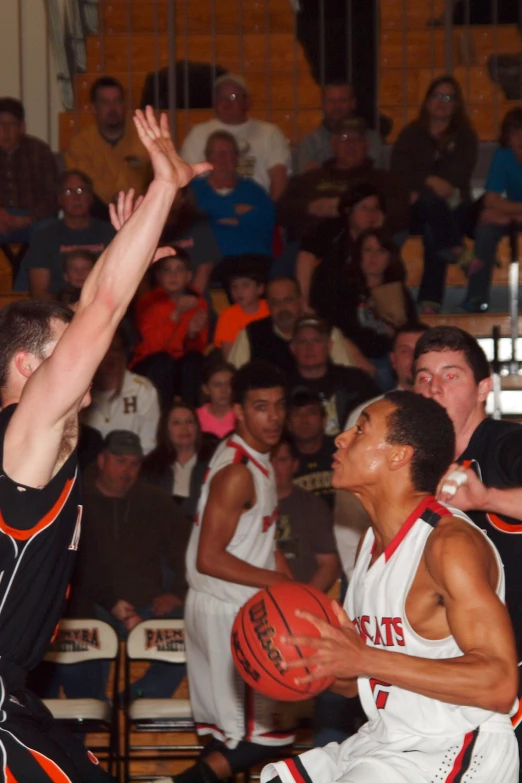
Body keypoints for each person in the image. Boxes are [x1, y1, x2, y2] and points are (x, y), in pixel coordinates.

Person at [0, 106, 211, 780]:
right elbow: (98, 309)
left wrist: (134, 246)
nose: (89, 360)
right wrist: (164, 188)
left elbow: (97, 304)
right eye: (70, 355)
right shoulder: (23, 433)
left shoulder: (35, 441)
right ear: (29, 370)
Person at [261, 391, 519, 783]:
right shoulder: (370, 543)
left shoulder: (448, 544)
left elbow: (499, 684)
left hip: (455, 746)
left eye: (360, 429)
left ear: (399, 455)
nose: (341, 438)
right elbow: (361, 684)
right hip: (387, 741)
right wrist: (317, 663)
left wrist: (363, 658)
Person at [179, 361, 295, 783]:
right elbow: (208, 557)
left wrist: (295, 591)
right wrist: (280, 583)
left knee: (226, 739)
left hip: (221, 607)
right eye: (262, 407)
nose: (275, 416)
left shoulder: (257, 460)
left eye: (280, 406)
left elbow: (264, 542)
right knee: (266, 737)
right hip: (225, 610)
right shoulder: (237, 473)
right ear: (239, 411)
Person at [413, 325, 522, 767]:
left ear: (483, 388)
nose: (434, 387)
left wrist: (488, 499)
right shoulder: (418, 468)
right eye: (423, 377)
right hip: (463, 672)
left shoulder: (504, 443)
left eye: (450, 375)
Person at [36, 430, 191, 701]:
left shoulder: (155, 501)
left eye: (134, 463)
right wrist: (113, 604)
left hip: (148, 604)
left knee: (191, 635)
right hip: (92, 604)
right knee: (81, 634)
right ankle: (89, 714)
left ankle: (135, 697)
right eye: (120, 461)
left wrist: (176, 593)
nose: (127, 470)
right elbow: (76, 566)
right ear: (101, 460)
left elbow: (188, 550)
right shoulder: (76, 499)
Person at [390, 75, 478, 314]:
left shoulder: (465, 137)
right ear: (427, 102)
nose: (442, 102)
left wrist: (419, 183)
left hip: (454, 207)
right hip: (418, 210)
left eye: (449, 97)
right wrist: (428, 180)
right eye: (437, 96)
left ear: (456, 105)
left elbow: (456, 178)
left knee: (433, 228)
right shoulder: (411, 134)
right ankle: (458, 250)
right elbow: (397, 170)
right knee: (430, 203)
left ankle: (429, 303)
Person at [277, 117, 410, 244]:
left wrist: (373, 215)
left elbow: (402, 213)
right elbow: (281, 209)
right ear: (333, 144)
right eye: (344, 138)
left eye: (356, 139)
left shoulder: (384, 179)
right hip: (310, 247)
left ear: (366, 145)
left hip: (365, 249)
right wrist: (310, 208)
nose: (350, 145)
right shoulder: (310, 178)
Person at [321, 228, 418, 390]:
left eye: (380, 251)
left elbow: (411, 331)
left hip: (390, 360)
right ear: (359, 255)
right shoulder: (344, 290)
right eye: (367, 250)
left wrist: (394, 331)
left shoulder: (399, 292)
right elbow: (334, 330)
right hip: (353, 359)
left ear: (389, 257)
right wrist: (358, 358)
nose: (373, 257)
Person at [181, 73, 291, 200]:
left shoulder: (270, 133)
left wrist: (271, 215)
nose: (226, 102)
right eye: (221, 97)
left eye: (233, 97)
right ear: (215, 103)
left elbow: (279, 177)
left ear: (247, 102)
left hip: (255, 208)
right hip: (208, 210)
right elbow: (188, 178)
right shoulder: (198, 133)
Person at [228, 276, 364, 373]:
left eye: (288, 300)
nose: (282, 308)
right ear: (268, 306)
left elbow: (349, 377)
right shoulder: (250, 335)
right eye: (275, 302)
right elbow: (234, 380)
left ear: (301, 301)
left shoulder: (326, 332)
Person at [190, 131, 276, 283]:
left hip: (251, 258)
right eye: (218, 152)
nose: (223, 158)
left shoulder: (253, 189)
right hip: (207, 260)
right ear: (208, 157)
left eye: (228, 152)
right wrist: (234, 211)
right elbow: (190, 217)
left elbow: (268, 219)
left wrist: (213, 217)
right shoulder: (194, 189)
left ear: (236, 158)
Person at [65, 77, 152, 219]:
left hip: (140, 210)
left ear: (124, 105)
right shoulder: (80, 144)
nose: (112, 108)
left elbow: (150, 178)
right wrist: (117, 197)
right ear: (94, 108)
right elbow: (87, 186)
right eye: (105, 102)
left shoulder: (143, 137)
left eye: (117, 101)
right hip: (98, 213)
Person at [131, 250, 209, 408]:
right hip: (150, 363)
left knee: (194, 361)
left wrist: (192, 334)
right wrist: (176, 314)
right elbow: (152, 347)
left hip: (180, 364)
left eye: (179, 270)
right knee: (162, 362)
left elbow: (198, 348)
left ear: (188, 276)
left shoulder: (198, 302)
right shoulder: (148, 303)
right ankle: (162, 422)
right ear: (158, 276)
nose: (173, 275)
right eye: (167, 270)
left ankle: (189, 416)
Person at [18, 169, 115, 296]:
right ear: (59, 199)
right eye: (68, 192)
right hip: (59, 309)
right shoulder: (44, 236)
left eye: (81, 190)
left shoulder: (110, 233)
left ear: (91, 197)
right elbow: (38, 293)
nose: (76, 197)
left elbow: (130, 278)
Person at [462, 107, 522, 312]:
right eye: (515, 133)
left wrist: (509, 216)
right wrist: (509, 217)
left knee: (491, 218)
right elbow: (490, 202)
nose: (521, 139)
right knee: (486, 230)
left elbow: (496, 205)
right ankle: (476, 298)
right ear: (508, 137)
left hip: (513, 216)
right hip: (514, 216)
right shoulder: (503, 155)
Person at [300, 181, 386, 314]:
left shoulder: (383, 240)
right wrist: (304, 301)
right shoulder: (331, 231)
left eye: (375, 209)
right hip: (331, 303)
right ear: (348, 210)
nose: (371, 215)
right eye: (364, 208)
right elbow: (306, 257)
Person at [287, 316, 380, 435]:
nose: (309, 348)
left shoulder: (355, 380)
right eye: (303, 342)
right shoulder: (284, 388)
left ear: (329, 345)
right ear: (293, 348)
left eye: (317, 341)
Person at [272, 436, 339, 591]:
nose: (274, 466)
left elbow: (329, 565)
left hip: (303, 596)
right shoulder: (245, 505)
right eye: (270, 460)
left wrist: (304, 600)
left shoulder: (313, 506)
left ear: (294, 465)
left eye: (282, 460)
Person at [81, 329, 161, 455]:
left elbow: (148, 444)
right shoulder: (79, 392)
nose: (109, 356)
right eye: (104, 350)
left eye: (115, 350)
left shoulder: (142, 390)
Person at [345, 321, 430, 429]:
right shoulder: (367, 415)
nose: (414, 357)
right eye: (405, 351)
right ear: (393, 359)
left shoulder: (451, 410)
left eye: (421, 350)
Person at [0, 97, 58, 246]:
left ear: (22, 127)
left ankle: (30, 270)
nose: (5, 130)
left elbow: (54, 195)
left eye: (11, 124)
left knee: (48, 231)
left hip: (34, 219)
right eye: (1, 123)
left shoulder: (39, 151)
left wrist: (28, 218)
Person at [142, 401, 212, 521]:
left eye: (189, 422)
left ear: (197, 427)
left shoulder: (212, 463)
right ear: (166, 430)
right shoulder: (150, 467)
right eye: (176, 423)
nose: (184, 428)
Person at [296, 82, 384, 172]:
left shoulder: (371, 138)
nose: (337, 106)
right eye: (331, 101)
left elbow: (374, 176)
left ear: (353, 103)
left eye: (343, 100)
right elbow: (307, 179)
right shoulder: (311, 143)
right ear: (323, 104)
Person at [161, 186, 222, 298]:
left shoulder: (197, 223)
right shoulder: (148, 225)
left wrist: (192, 298)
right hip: (156, 300)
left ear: (183, 198)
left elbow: (205, 266)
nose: (167, 195)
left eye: (173, 192)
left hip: (193, 295)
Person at [286, 390, 337, 509]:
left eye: (311, 413)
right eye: (297, 415)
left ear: (324, 420)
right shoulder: (281, 459)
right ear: (288, 424)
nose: (304, 421)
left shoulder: (341, 452)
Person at [213, 258, 270, 358]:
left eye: (245, 285)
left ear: (260, 288)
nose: (239, 292)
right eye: (234, 286)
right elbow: (229, 356)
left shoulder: (270, 308)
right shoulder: (228, 316)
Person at [197, 359, 236, 440]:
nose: (224, 390)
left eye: (229, 384)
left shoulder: (243, 416)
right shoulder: (195, 417)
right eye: (218, 385)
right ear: (206, 389)